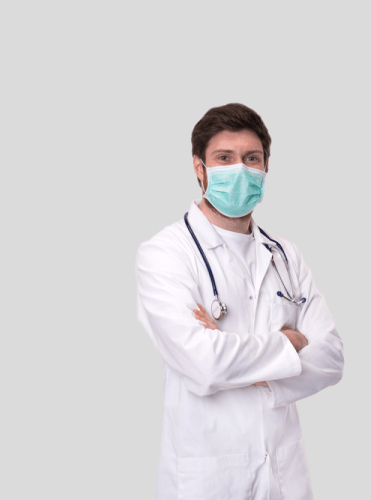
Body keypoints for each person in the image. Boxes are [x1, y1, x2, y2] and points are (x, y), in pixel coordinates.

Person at [135, 103, 344, 500]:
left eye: (251, 158)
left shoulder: (285, 255)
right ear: (199, 168)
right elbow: (204, 363)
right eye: (224, 158)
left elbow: (332, 358)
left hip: (284, 477)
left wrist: (234, 357)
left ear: (266, 167)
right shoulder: (165, 254)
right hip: (207, 481)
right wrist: (290, 343)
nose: (240, 170)